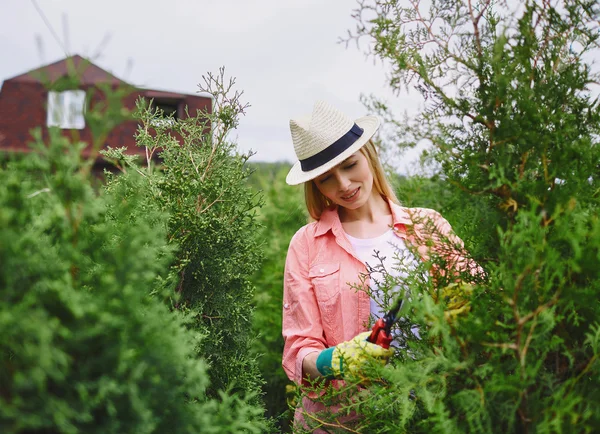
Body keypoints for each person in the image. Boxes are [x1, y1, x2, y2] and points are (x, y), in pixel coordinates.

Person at [281, 100, 478, 430]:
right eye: (327, 178)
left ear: (368, 153)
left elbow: (482, 294)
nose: (343, 184)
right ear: (315, 186)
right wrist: (337, 361)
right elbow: (299, 351)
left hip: (430, 413)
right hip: (341, 421)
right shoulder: (307, 244)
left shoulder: (428, 225)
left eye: (349, 165)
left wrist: (468, 298)